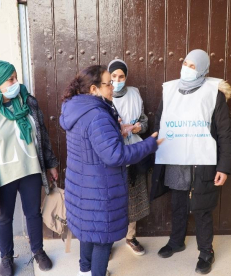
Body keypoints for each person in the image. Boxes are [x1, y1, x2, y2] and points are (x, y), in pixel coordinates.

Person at [59, 65, 163, 276]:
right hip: (100, 189)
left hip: (82, 186)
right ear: (94, 89)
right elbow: (116, 156)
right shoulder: (98, 115)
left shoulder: (76, 108)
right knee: (102, 239)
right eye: (109, 83)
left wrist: (116, 132)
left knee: (88, 232)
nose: (113, 86)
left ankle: (84, 270)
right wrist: (149, 145)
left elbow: (94, 144)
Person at [0, 61, 59, 276]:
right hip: (1, 176)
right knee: (3, 218)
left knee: (33, 213)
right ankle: (6, 257)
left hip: (31, 169)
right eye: (11, 79)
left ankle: (38, 251)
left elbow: (42, 135)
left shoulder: (28, 102)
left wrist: (51, 163)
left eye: (16, 77)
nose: (16, 83)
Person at [153, 49, 231, 274]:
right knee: (178, 203)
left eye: (192, 66)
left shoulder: (213, 93)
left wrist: (224, 168)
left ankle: (206, 252)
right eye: (185, 63)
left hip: (202, 162)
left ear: (202, 71)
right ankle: (176, 241)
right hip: (177, 160)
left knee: (202, 208)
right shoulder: (169, 91)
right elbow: (160, 123)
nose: (186, 69)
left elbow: (226, 134)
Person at [107, 59, 150, 255]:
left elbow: (144, 119)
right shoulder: (103, 96)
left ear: (126, 76)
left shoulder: (134, 93)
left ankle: (130, 236)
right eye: (113, 76)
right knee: (111, 197)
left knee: (133, 196)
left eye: (121, 76)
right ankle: (106, 241)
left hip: (133, 150)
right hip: (113, 154)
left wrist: (138, 127)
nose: (117, 80)